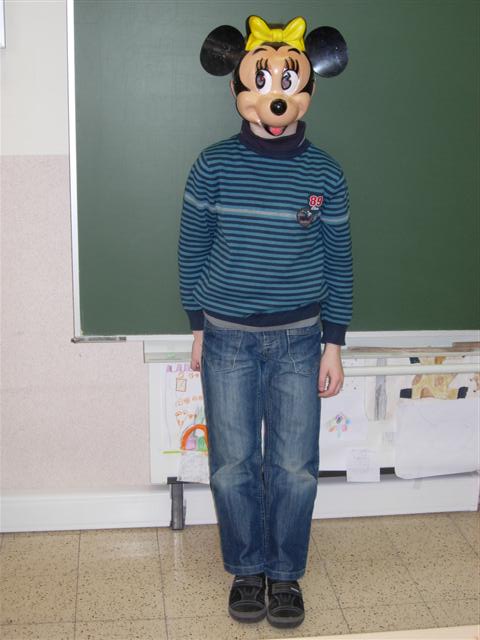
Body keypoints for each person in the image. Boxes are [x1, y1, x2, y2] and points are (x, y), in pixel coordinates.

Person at [178, 15, 353, 629]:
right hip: (226, 338)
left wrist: (334, 343)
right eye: (261, 81)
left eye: (289, 82)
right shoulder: (213, 165)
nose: (276, 97)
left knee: (294, 468)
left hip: (301, 341)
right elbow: (192, 247)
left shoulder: (325, 172)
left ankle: (285, 575)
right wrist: (197, 325)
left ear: (307, 88)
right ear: (237, 87)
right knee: (232, 466)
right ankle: (246, 568)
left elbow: (339, 260)